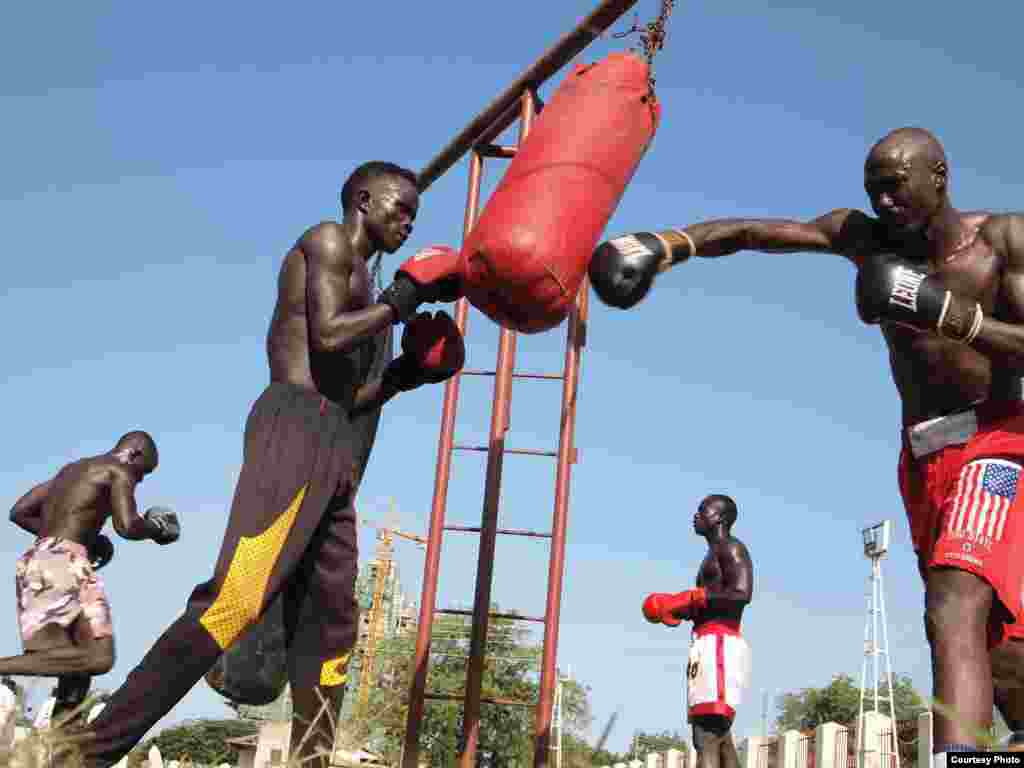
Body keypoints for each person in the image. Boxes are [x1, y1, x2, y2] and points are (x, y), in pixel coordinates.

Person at [590, 127, 1024, 765]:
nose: (883, 203)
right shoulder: (866, 239)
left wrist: (947, 312)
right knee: (990, 639)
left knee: (953, 603)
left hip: (999, 440)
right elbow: (754, 233)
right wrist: (668, 244)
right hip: (922, 457)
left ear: (939, 176)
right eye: (873, 190)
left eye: (895, 186)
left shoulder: (1003, 240)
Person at [72, 161, 466, 768]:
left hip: (332, 441)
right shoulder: (327, 241)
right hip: (295, 425)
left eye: (415, 214)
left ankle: (312, 760)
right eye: (400, 207)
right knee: (236, 597)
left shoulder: (367, 284)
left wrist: (405, 374)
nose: (409, 222)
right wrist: (402, 300)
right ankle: (81, 752)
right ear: (363, 200)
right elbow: (327, 335)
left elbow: (351, 396)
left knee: (332, 625)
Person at [4, 432, 177, 724]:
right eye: (143, 472)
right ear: (134, 453)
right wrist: (156, 528)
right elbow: (127, 526)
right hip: (66, 564)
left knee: (76, 664)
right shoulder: (118, 470)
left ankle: (61, 740)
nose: (139, 480)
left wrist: (85, 538)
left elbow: (20, 512)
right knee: (99, 657)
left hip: (37, 562)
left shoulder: (71, 471)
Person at [643, 494, 752, 768]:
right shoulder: (711, 555)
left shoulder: (732, 548)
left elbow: (742, 594)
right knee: (719, 737)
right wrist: (678, 607)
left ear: (720, 518)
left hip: (720, 644)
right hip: (705, 643)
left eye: (703, 510)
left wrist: (695, 598)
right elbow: (709, 602)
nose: (696, 516)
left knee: (706, 732)